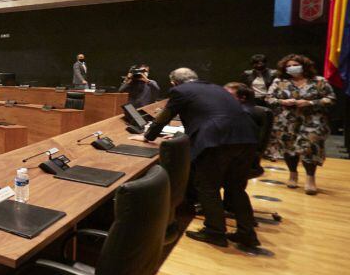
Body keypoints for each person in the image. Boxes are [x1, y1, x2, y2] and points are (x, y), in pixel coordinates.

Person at [137, 68, 260, 248]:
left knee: (207, 187)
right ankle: (247, 233)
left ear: (174, 82)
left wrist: (148, 136)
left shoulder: (180, 91)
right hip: (246, 137)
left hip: (216, 140)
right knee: (236, 188)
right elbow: (208, 112)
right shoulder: (216, 88)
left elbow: (164, 117)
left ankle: (215, 232)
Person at [264, 54, 335, 195]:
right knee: (289, 148)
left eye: (294, 65)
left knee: (310, 147)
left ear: (304, 65)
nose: (292, 68)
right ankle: (293, 174)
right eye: (288, 66)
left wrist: (310, 102)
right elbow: (269, 98)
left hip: (312, 120)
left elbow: (331, 98)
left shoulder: (319, 81)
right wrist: (283, 102)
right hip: (286, 121)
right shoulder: (280, 81)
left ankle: (310, 178)